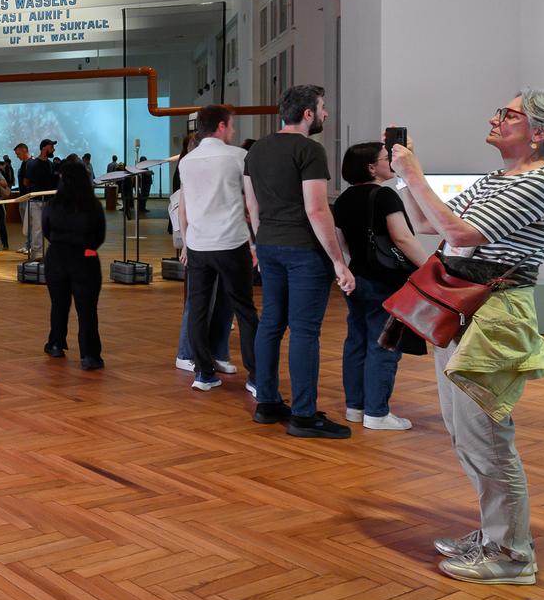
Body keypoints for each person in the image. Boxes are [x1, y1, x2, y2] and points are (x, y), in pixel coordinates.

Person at [392, 92, 544, 586]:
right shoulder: (498, 178)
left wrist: (414, 175)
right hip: (464, 308)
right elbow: (430, 224)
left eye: (508, 114)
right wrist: (405, 178)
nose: (495, 118)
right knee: (465, 433)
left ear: (540, 132)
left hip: (493, 314)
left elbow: (461, 234)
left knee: (486, 437)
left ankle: (511, 554)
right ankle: (495, 535)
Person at [244, 85, 356, 438]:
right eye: (322, 108)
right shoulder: (309, 149)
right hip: (303, 250)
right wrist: (338, 261)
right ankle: (304, 416)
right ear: (308, 114)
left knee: (271, 323)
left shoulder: (257, 149)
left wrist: (261, 242)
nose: (325, 114)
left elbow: (252, 206)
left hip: (269, 244)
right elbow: (317, 209)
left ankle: (267, 403)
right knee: (305, 330)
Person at [333, 142, 429, 429]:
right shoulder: (385, 195)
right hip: (386, 281)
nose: (392, 162)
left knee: (357, 342)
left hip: (356, 278)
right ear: (372, 167)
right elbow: (402, 238)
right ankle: (377, 413)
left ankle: (355, 407)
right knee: (384, 345)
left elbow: (342, 242)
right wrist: (429, 269)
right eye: (387, 158)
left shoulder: (343, 199)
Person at [174, 107, 258, 392]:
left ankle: (204, 373)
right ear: (221, 126)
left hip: (199, 244)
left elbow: (185, 206)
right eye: (231, 126)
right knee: (244, 309)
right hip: (231, 242)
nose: (233, 131)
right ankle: (256, 376)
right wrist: (256, 242)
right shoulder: (238, 156)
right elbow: (251, 202)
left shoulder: (187, 162)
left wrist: (186, 243)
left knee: (198, 309)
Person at [41, 158, 106, 368]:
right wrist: (87, 247)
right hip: (85, 258)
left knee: (59, 305)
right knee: (87, 309)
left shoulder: (52, 205)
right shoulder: (93, 205)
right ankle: (89, 355)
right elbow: (100, 236)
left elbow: (47, 231)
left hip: (57, 257)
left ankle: (55, 344)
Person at [15, 142, 50, 260]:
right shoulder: (24, 164)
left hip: (31, 198)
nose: (17, 156)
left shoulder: (32, 163)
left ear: (24, 150)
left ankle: (31, 247)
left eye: (18, 154)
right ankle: (28, 245)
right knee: (27, 224)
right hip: (23, 197)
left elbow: (28, 181)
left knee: (34, 225)